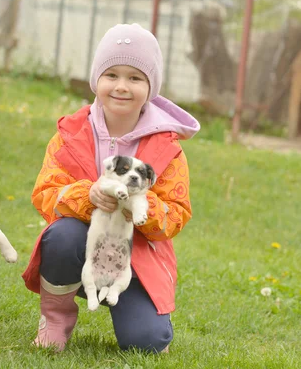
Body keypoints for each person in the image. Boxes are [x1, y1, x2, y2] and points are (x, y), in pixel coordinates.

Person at [21, 23, 200, 353]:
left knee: (146, 343)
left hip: (136, 257)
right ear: (96, 80)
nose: (121, 86)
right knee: (61, 235)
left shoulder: (167, 146)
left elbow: (177, 215)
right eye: (111, 75)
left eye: (135, 78)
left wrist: (141, 208)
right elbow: (46, 193)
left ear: (151, 86)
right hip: (80, 243)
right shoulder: (71, 133)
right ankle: (56, 318)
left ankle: (147, 318)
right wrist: (87, 196)